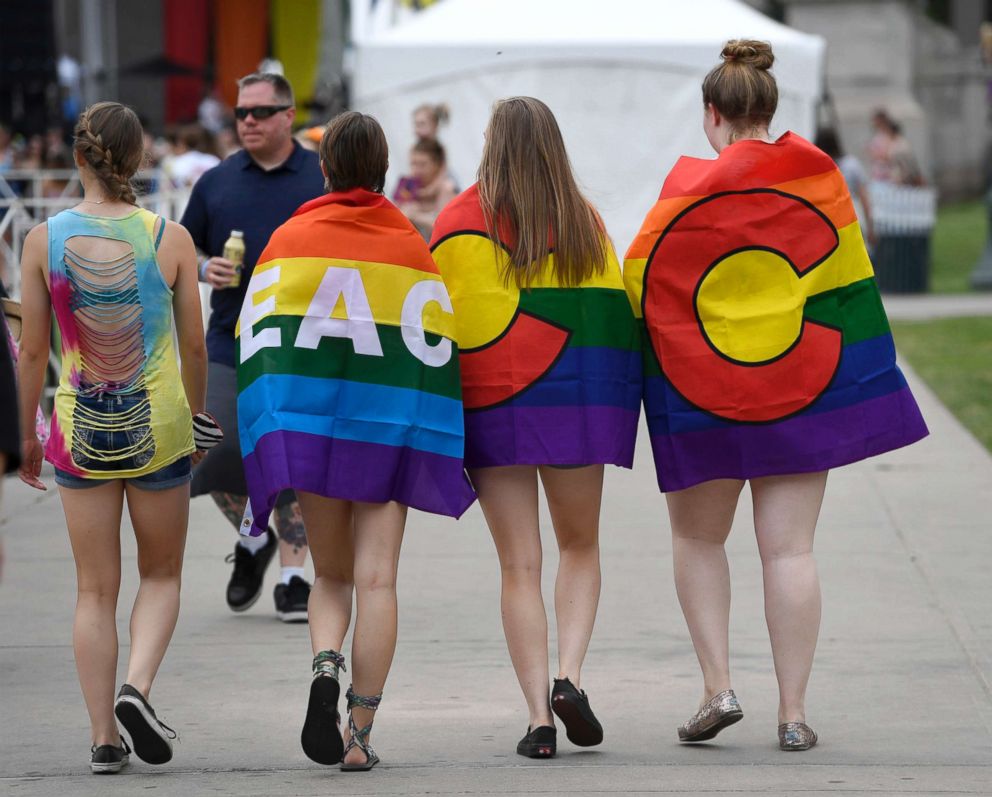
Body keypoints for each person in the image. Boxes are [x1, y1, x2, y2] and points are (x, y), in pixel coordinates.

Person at [624, 40, 929, 752]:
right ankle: (792, 713)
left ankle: (717, 687)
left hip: (705, 393)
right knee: (789, 551)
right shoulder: (818, 174)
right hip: (801, 385)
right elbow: (845, 276)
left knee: (699, 537)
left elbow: (643, 278)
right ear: (769, 105)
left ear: (712, 115)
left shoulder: (687, 188)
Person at [236, 111, 475, 770]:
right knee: (378, 581)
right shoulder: (407, 243)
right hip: (388, 434)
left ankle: (323, 666)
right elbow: (435, 346)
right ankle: (359, 733)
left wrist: (271, 426)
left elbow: (260, 339)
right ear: (382, 167)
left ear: (324, 166)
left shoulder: (291, 238)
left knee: (331, 574)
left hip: (315, 435)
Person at [430, 97, 641, 759]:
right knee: (579, 545)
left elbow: (439, 325)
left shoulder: (459, 220)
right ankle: (569, 676)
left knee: (519, 563)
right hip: (574, 406)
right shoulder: (585, 222)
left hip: (495, 409)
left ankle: (536, 720)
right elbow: (613, 323)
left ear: (491, 146)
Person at [16, 101, 208, 773]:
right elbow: (193, 344)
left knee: (93, 589)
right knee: (160, 573)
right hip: (159, 426)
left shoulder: (43, 240)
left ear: (78, 157)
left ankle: (103, 735)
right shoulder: (171, 238)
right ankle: (138, 688)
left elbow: (33, 352)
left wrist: (25, 437)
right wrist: (198, 415)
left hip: (77, 430)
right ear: (138, 158)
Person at [180, 72, 324, 621]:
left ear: (289, 116)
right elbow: (185, 243)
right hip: (229, 338)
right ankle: (254, 538)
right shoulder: (217, 181)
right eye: (240, 112)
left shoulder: (319, 177)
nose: (247, 122)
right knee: (209, 452)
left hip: (305, 342)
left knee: (293, 458)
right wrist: (200, 266)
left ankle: (293, 577)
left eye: (260, 113)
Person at [815, 127, 875, 247]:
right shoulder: (852, 164)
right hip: (853, 217)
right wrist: (870, 226)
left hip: (827, 221)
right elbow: (864, 197)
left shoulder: (817, 168)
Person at [393, 138, 457, 239]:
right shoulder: (407, 186)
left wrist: (416, 216)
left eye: (423, 164)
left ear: (436, 165)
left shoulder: (445, 189)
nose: (417, 170)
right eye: (413, 164)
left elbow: (445, 229)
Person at [866, 109, 923, 186]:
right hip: (884, 175)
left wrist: (878, 155)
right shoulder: (879, 137)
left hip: (896, 177)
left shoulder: (899, 143)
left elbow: (889, 156)